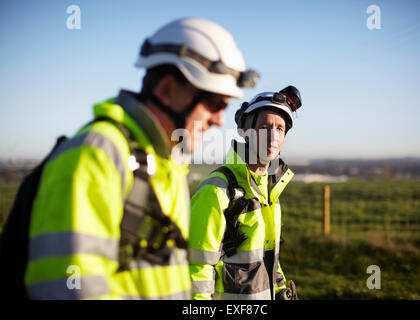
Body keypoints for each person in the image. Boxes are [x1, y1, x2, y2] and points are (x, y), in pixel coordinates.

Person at [23, 17, 258, 300]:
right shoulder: (97, 153)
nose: (220, 120)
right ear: (167, 90)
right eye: (214, 103)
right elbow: (66, 290)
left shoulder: (166, 163)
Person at [189, 86, 302, 300]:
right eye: (265, 127)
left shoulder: (270, 192)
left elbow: (270, 260)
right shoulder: (216, 190)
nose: (273, 136)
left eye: (279, 128)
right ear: (245, 133)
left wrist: (280, 291)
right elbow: (197, 266)